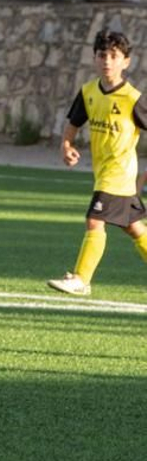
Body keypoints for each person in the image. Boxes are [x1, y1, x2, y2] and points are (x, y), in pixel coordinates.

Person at [47, 31, 147, 297]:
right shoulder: (88, 92)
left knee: (94, 220)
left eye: (114, 56)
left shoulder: (133, 99)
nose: (107, 61)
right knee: (133, 226)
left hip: (119, 172)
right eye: (102, 55)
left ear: (126, 61)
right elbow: (73, 123)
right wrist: (66, 145)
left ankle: (81, 279)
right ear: (94, 58)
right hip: (103, 172)